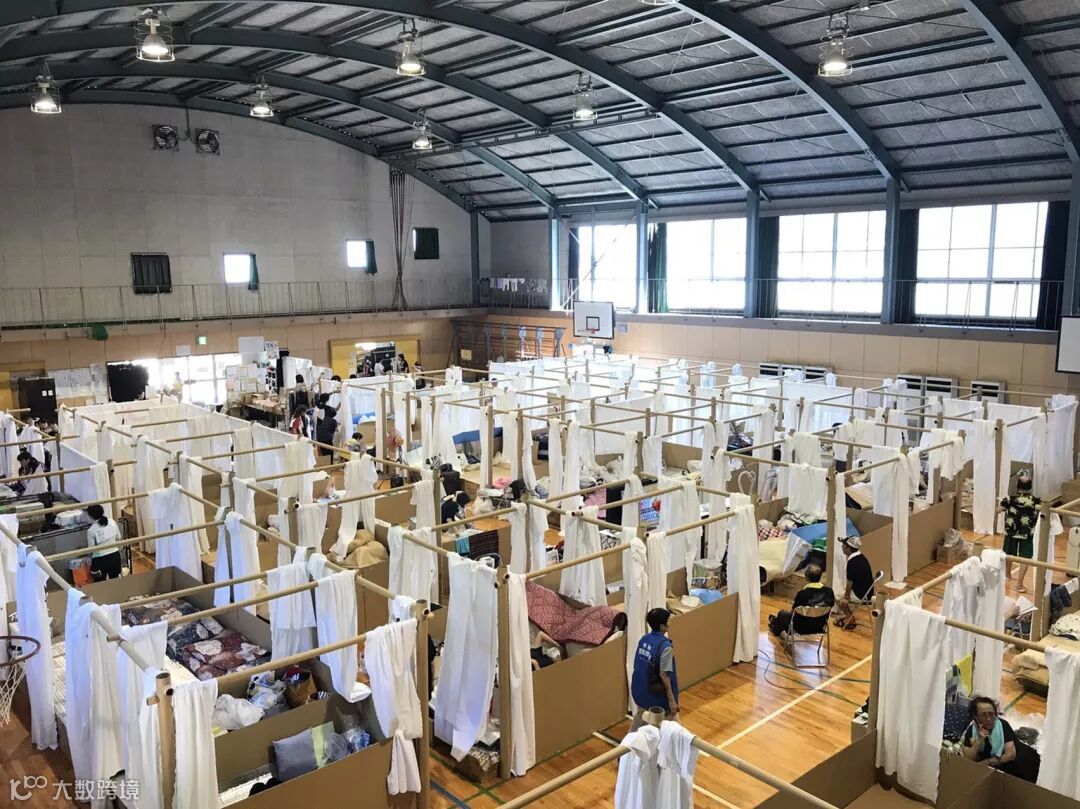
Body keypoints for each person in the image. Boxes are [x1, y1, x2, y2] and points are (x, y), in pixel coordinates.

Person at [961, 696, 1040, 783]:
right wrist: (979, 741)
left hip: (1022, 763)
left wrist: (987, 762)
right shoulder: (972, 731)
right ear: (976, 717)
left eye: (991, 714)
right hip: (998, 767)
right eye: (984, 715)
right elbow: (968, 758)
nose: (988, 719)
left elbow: (1010, 755)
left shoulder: (1003, 725)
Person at [630, 608, 678, 729]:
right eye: (668, 621)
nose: (670, 622)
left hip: (640, 691)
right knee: (672, 728)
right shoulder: (665, 648)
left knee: (640, 720)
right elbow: (664, 675)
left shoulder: (644, 639)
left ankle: (629, 741)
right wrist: (672, 701)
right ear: (662, 626)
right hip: (657, 698)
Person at [768, 564, 835, 639]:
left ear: (807, 577)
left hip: (801, 628)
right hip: (819, 626)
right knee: (783, 618)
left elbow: (794, 611)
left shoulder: (802, 594)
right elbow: (830, 606)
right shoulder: (829, 592)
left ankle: (777, 627)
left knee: (782, 614)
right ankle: (775, 622)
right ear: (820, 576)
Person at [1001, 471, 1040, 593]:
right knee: (1025, 557)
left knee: (1009, 553)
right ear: (1030, 488)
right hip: (1026, 533)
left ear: (1017, 486)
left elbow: (999, 509)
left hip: (1011, 531)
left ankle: (1007, 574)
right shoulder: (1035, 501)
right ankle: (1019, 584)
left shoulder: (1010, 499)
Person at [834, 537, 874, 630]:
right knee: (841, 592)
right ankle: (849, 617)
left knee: (836, 594)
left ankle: (849, 618)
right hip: (867, 592)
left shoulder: (853, 562)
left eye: (843, 545)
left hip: (861, 595)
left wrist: (846, 597)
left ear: (849, 548)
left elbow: (850, 582)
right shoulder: (860, 556)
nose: (842, 547)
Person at [85, 503, 123, 580]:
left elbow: (91, 549)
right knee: (115, 581)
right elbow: (118, 537)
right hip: (115, 556)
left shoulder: (91, 530)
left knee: (99, 583)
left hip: (99, 559)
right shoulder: (112, 522)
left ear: (90, 516)